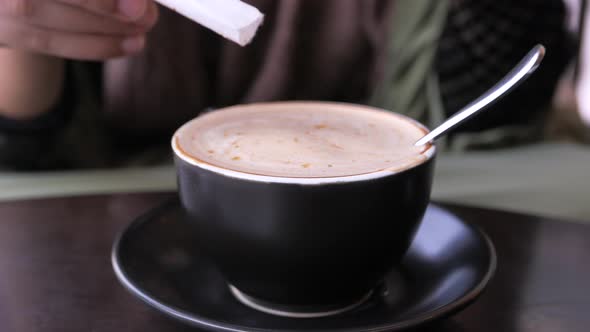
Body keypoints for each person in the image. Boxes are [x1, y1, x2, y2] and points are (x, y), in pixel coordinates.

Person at [0, 0, 586, 219]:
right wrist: (18, 37)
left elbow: (489, 126)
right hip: (86, 197)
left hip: (448, 187)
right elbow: (28, 159)